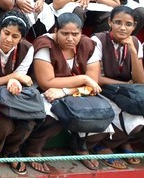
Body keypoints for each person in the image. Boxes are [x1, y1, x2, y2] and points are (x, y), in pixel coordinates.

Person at [27, 13, 105, 172]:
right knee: (55, 114)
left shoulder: (88, 45)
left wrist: (66, 91)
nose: (70, 38)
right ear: (56, 31)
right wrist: (83, 79)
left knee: (102, 113)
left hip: (73, 92)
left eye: (75, 34)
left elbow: (93, 82)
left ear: (81, 33)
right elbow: (47, 82)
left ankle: (80, 146)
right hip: (44, 92)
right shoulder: (45, 44)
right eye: (65, 33)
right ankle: (33, 149)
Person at [0, 11, 36, 175]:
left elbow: (21, 76)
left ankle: (11, 152)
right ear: (0, 30)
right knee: (4, 124)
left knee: (28, 122)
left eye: (15, 36)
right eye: (6, 33)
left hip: (10, 94)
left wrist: (15, 82)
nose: (9, 40)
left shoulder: (27, 48)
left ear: (21, 38)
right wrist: (13, 77)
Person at [91, 5, 144, 168]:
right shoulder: (98, 40)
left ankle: (123, 142)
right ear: (110, 22)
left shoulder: (135, 42)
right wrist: (126, 84)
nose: (123, 28)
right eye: (118, 22)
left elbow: (140, 80)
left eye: (128, 24)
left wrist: (133, 52)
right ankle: (103, 145)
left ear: (134, 26)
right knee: (118, 111)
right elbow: (97, 79)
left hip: (126, 89)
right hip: (102, 90)